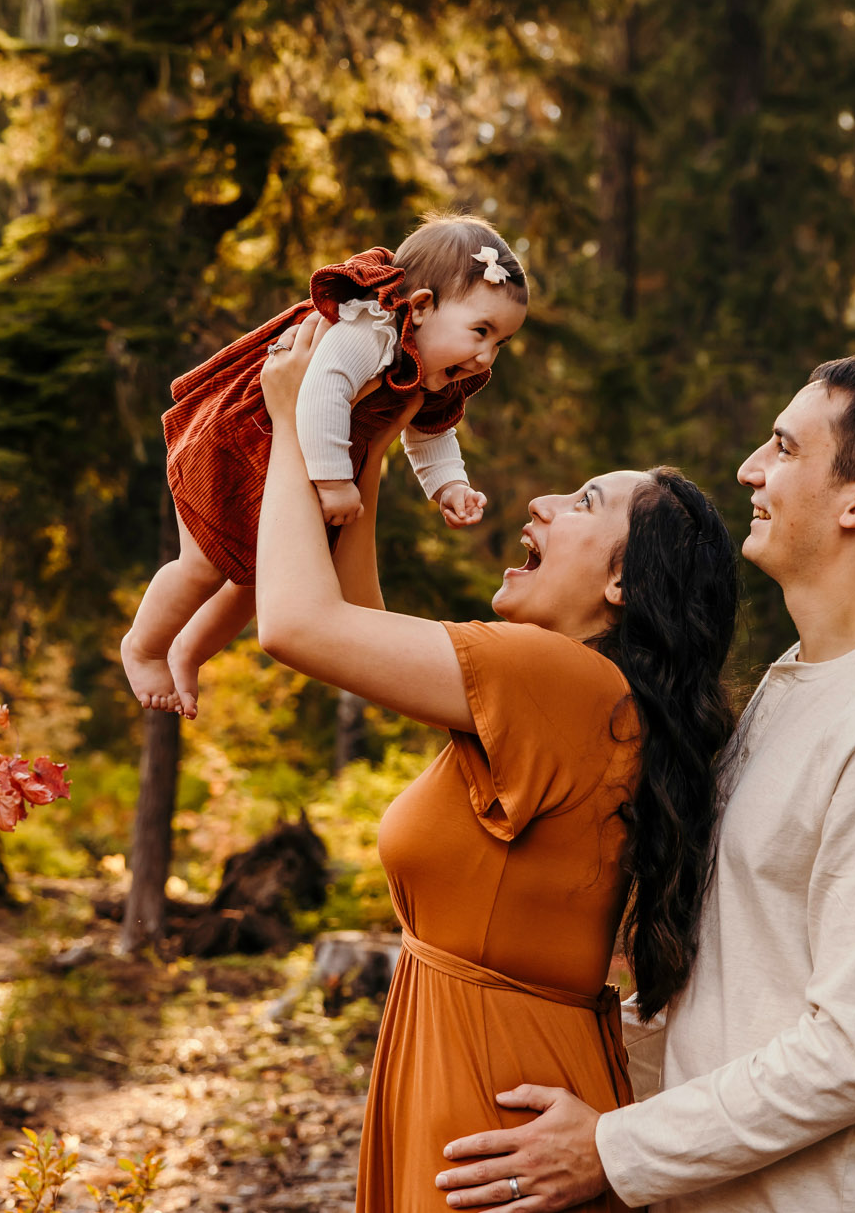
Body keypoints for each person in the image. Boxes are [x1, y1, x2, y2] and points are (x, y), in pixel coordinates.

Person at [435, 356, 855, 1213]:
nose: (749, 469)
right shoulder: (806, 678)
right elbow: (743, 986)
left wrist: (611, 1150)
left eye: (783, 446)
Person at [251, 314, 743, 1213]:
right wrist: (359, 441)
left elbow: (295, 622)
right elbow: (358, 616)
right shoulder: (583, 696)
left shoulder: (558, 677)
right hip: (494, 1071)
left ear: (623, 586)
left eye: (584, 503)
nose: (541, 505)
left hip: (489, 1092)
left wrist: (292, 421)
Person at [123, 214, 527, 719]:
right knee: (201, 565)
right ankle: (143, 646)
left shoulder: (436, 367)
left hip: (291, 459)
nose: (486, 357)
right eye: (480, 332)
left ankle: (189, 652)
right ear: (421, 307)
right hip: (238, 445)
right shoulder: (370, 330)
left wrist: (449, 485)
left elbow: (431, 430)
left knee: (257, 580)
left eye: (500, 343)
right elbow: (322, 391)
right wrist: (336, 482)